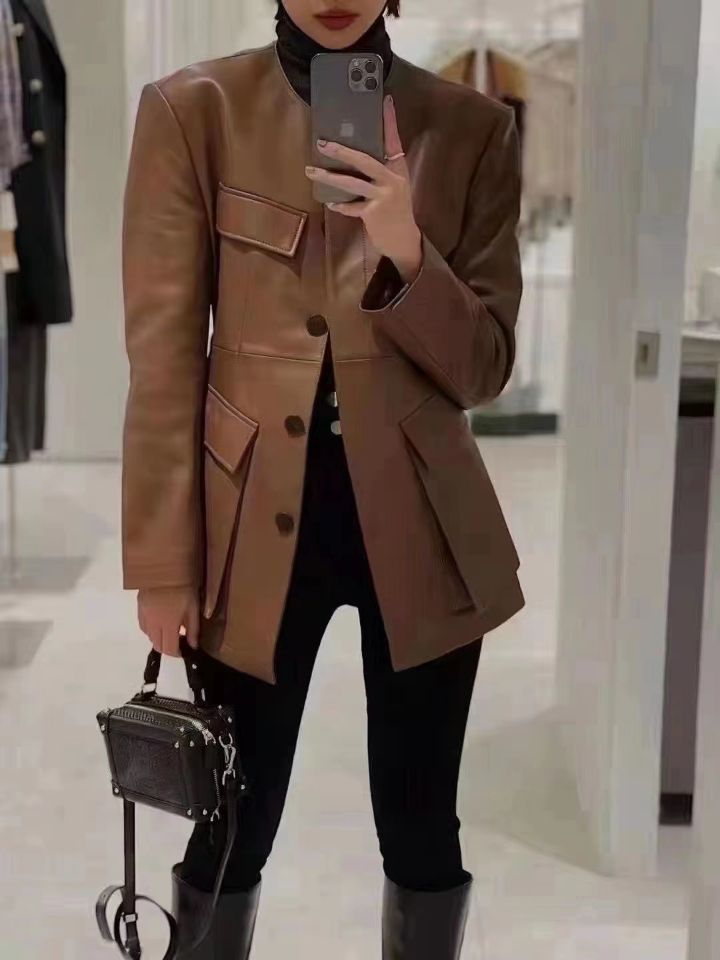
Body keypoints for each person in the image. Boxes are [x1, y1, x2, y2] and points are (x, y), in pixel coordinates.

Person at [121, 1, 524, 956]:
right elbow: (163, 357)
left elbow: (485, 371)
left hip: (423, 518)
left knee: (423, 829)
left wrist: (407, 247)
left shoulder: (472, 129)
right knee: (233, 824)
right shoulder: (194, 110)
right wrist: (163, 561)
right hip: (249, 518)